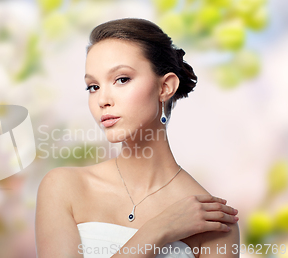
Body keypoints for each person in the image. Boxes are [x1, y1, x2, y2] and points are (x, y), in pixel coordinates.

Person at [35, 18, 240, 258]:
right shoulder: (63, 187)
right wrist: (157, 230)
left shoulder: (211, 220)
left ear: (165, 87)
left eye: (122, 79)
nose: (102, 100)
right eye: (93, 87)